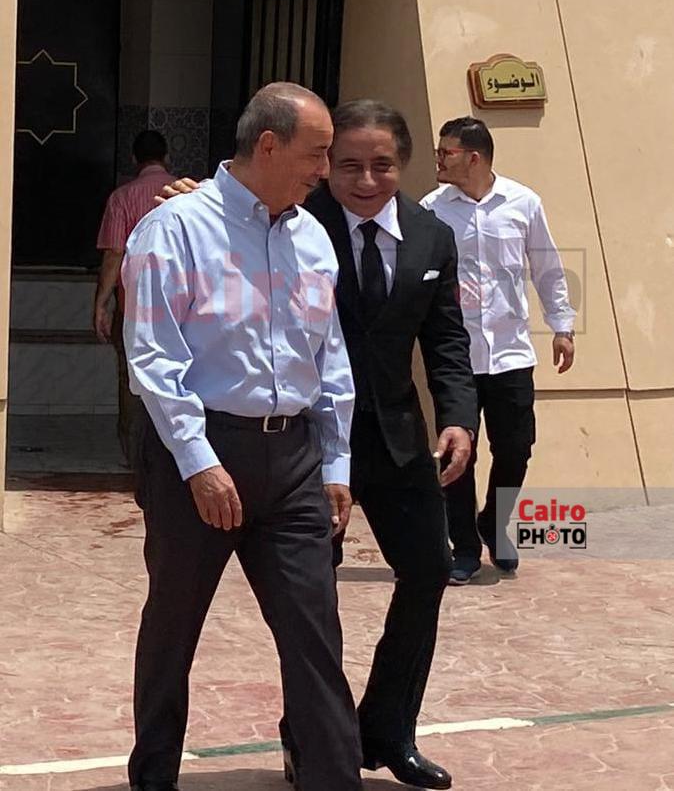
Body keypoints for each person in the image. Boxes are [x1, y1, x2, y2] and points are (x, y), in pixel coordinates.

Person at [162, 100, 478, 791]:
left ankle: (388, 731)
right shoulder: (297, 217)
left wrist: (459, 417)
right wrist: (192, 192)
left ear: (404, 166)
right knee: (309, 606)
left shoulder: (431, 235)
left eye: (381, 166)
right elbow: (235, 210)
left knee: (429, 570)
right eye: (347, 165)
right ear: (325, 165)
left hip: (395, 440)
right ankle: (308, 742)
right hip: (305, 442)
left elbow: (447, 338)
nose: (364, 180)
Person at [122, 83, 362, 791]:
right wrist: (198, 461)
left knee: (315, 635)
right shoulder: (175, 228)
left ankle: (330, 777)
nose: (326, 170)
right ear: (269, 145)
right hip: (197, 457)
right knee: (173, 630)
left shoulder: (312, 237)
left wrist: (336, 462)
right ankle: (154, 776)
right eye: (317, 153)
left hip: (293, 462)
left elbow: (329, 356)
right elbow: (153, 356)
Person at [420, 116, 576, 585]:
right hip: (455, 357)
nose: (438, 160)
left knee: (516, 449)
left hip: (510, 353)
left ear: (474, 158)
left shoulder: (523, 203)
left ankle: (493, 522)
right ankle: (465, 546)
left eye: (446, 152)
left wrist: (562, 326)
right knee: (457, 454)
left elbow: (546, 268)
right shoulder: (431, 210)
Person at [94, 130, 175, 469]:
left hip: (133, 309)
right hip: (182, 310)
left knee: (131, 381)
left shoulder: (122, 198)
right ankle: (171, 454)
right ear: (166, 157)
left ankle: (134, 456)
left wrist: (101, 303)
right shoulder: (187, 193)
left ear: (133, 159)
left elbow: (115, 253)